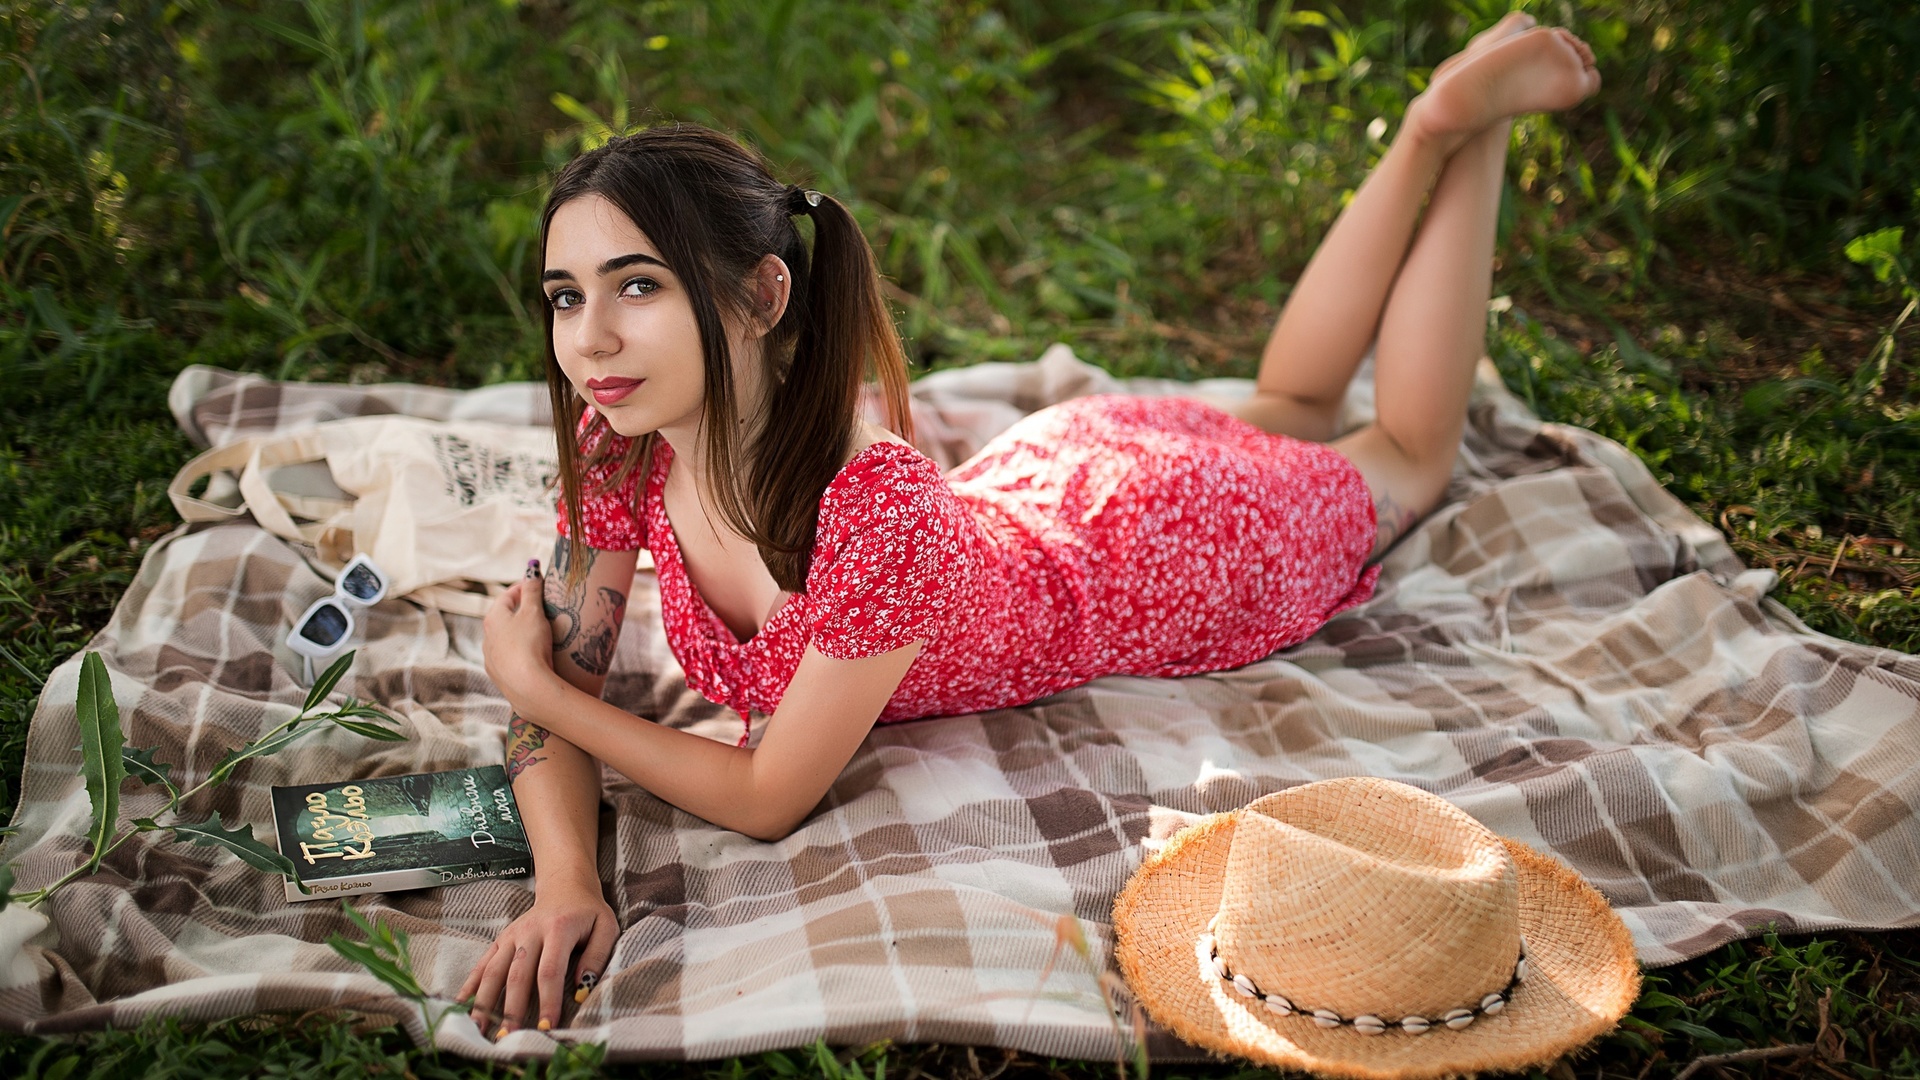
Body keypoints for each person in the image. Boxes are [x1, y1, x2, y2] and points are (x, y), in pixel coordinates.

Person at [459, 12, 1600, 1038]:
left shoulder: (877, 509)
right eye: (566, 296)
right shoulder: (624, 445)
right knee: (1291, 408)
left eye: (638, 287)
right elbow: (561, 668)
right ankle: (1425, 133)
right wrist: (568, 880)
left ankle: (1459, 124)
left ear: (762, 298)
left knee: (1404, 449)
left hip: (1173, 550)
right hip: (1053, 477)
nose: (590, 341)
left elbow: (763, 798)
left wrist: (545, 694)